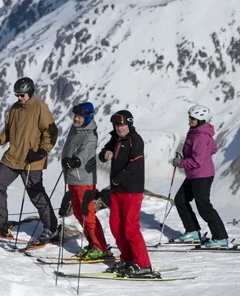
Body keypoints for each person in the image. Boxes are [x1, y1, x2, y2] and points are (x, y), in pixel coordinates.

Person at [0, 77, 58, 245]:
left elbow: (51, 133)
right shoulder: (15, 108)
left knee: (36, 194)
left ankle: (51, 227)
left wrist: (41, 152)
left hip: (32, 160)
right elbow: (8, 131)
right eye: (17, 95)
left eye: (22, 95)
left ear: (30, 93)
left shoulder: (40, 108)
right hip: (13, 157)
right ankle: (0, 221)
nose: (19, 98)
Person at [99, 110, 158, 278]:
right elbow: (102, 154)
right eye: (117, 125)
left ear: (130, 125)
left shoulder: (135, 140)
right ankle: (128, 258)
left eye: (123, 125)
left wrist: (118, 179)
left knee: (130, 227)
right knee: (115, 225)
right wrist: (105, 154)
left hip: (131, 190)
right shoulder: (115, 139)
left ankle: (144, 264)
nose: (120, 128)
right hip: (117, 190)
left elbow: (134, 165)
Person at [172, 105, 228, 248]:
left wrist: (180, 162)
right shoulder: (196, 131)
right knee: (180, 200)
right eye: (189, 117)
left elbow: (198, 161)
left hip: (201, 175)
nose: (189, 120)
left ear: (200, 119)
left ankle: (221, 238)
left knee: (204, 206)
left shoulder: (201, 136)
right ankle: (192, 231)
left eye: (192, 118)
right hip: (194, 174)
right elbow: (213, 147)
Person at [60, 102, 110, 260]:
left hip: (84, 180)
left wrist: (75, 161)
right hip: (72, 177)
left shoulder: (90, 135)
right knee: (77, 212)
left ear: (88, 117)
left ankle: (100, 247)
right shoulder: (74, 129)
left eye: (80, 117)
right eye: (75, 116)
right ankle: (91, 243)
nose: (76, 119)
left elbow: (86, 152)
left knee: (87, 214)